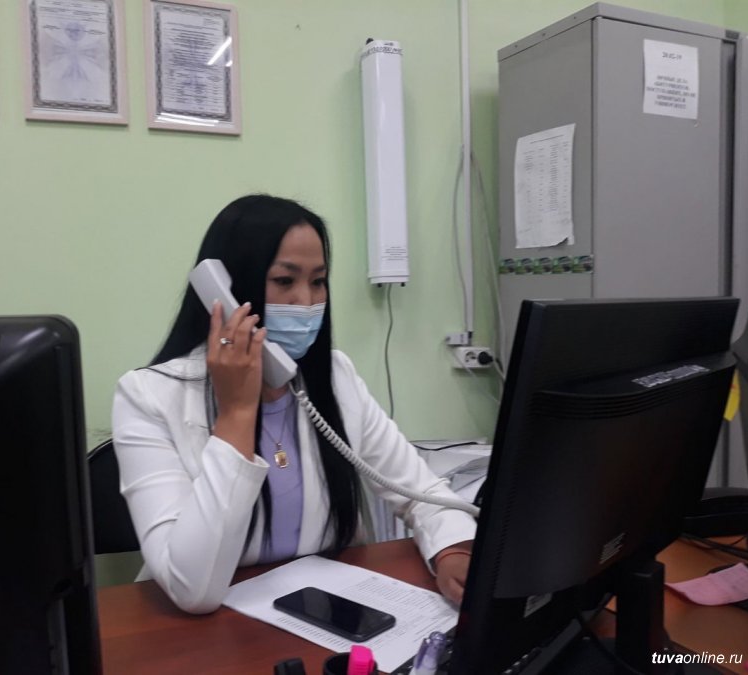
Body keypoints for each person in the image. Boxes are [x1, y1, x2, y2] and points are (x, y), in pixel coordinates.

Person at [111, 194, 476, 614]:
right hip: (207, 632)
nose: (306, 300)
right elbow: (192, 589)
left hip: (321, 614)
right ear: (225, 293)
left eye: (318, 281)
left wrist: (451, 550)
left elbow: (420, 492)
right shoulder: (148, 396)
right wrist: (237, 413)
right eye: (285, 281)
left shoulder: (335, 376)